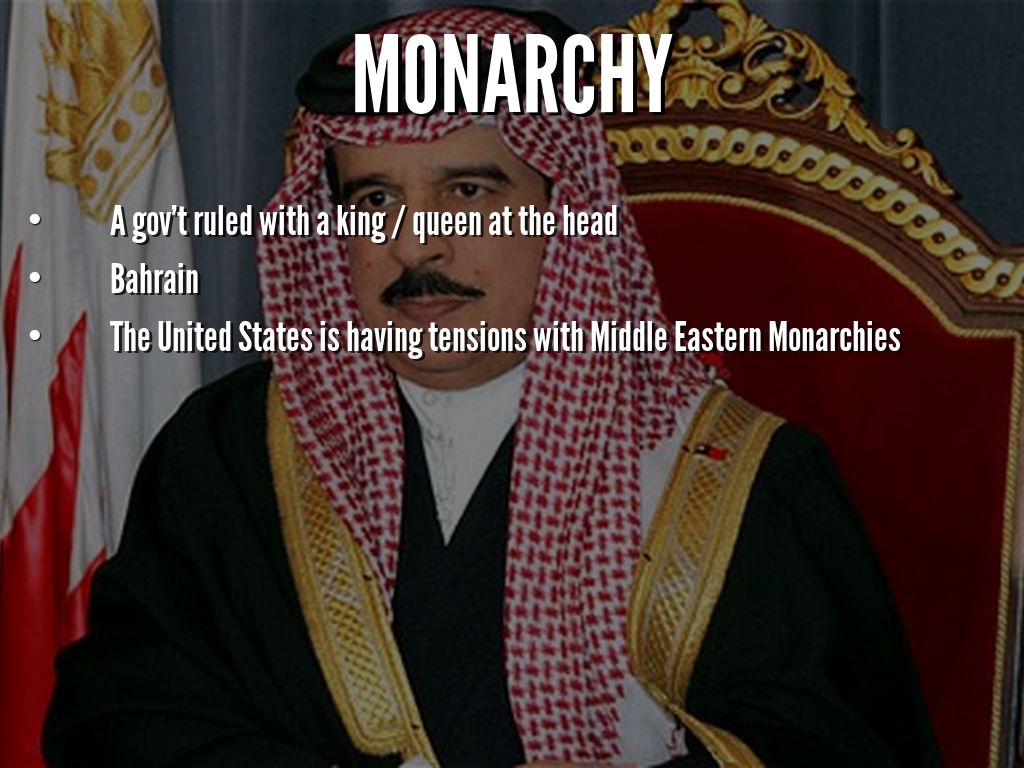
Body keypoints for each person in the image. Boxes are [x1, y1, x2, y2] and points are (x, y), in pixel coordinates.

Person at [43, 7, 940, 768]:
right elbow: (122, 723)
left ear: (565, 215)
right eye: (374, 200)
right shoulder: (228, 454)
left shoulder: (731, 475)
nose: (415, 245)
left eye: (468, 192)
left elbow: (834, 744)